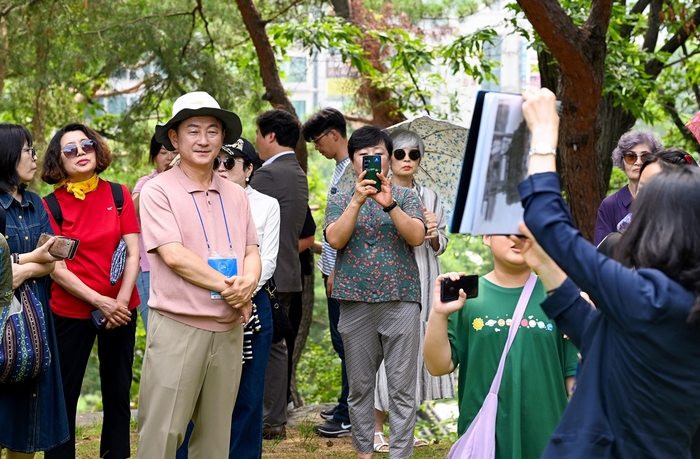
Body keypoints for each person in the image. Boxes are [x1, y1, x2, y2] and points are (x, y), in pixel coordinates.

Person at [512, 87, 700, 458]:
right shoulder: (677, 302)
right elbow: (597, 336)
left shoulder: (651, 297)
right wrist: (545, 263)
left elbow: (547, 219)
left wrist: (545, 136)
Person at [136, 91, 260, 459]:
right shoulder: (157, 190)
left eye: (212, 130)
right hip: (179, 325)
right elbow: (174, 256)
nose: (203, 140)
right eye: (193, 130)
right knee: (163, 433)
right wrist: (233, 288)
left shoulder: (236, 194)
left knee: (215, 439)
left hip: (228, 329)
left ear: (223, 138)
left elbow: (252, 250)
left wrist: (248, 284)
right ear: (174, 138)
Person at [423, 233, 577, 458]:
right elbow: (438, 366)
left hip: (548, 441)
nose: (516, 238)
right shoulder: (466, 298)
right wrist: (438, 313)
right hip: (485, 442)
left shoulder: (560, 298)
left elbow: (575, 381)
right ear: (487, 236)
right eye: (505, 230)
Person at [325, 125, 426, 459]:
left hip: (401, 301)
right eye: (364, 156)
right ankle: (364, 453)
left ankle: (400, 454)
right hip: (354, 302)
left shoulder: (408, 195)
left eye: (380, 155)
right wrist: (356, 200)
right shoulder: (339, 198)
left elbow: (416, 236)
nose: (373, 162)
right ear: (354, 161)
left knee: (401, 388)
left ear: (388, 158)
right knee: (360, 387)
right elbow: (335, 239)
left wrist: (390, 204)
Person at [40, 123, 140, 459]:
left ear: (97, 150)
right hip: (71, 311)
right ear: (59, 161)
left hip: (122, 308)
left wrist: (121, 303)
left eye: (86, 145)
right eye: (70, 150)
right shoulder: (50, 206)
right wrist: (100, 301)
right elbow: (56, 267)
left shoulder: (119, 194)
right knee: (64, 395)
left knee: (117, 393)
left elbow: (133, 251)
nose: (81, 153)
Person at [176, 137, 279, 459]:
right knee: (195, 392)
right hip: (200, 303)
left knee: (248, 394)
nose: (221, 168)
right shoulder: (195, 198)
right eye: (217, 161)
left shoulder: (265, 205)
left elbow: (268, 258)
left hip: (251, 303)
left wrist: (239, 291)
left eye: (230, 162)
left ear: (249, 169)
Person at [371, 128, 453, 451]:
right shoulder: (377, 191)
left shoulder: (431, 197)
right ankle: (376, 429)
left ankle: (406, 429)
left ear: (420, 159)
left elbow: (441, 244)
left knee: (419, 350)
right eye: (400, 154)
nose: (407, 160)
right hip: (389, 280)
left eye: (413, 154)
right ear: (389, 158)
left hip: (426, 278)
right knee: (384, 351)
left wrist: (432, 232)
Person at [0, 123, 69, 457]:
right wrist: (30, 262)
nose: (33, 157)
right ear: (8, 154)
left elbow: (51, 261)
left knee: (28, 417)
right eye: (28, 150)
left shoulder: (35, 203)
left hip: (32, 322)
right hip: (2, 321)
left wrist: (19, 267)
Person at [251, 109, 308, 440]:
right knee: (276, 346)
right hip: (288, 271)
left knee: (265, 347)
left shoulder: (267, 176)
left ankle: (269, 419)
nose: (256, 140)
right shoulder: (295, 171)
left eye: (258, 133)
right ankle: (273, 417)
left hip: (267, 274)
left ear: (271, 135)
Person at [302, 108, 352, 438]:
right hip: (331, 268)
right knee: (340, 341)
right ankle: (345, 402)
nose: (317, 148)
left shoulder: (353, 172)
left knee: (347, 342)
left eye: (318, 141)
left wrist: (338, 270)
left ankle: (349, 413)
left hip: (342, 273)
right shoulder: (339, 169)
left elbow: (351, 231)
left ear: (334, 134)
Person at [132, 134, 177, 331]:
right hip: (148, 267)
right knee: (155, 328)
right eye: (162, 153)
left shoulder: (185, 185)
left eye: (174, 152)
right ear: (153, 157)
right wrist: (160, 182)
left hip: (178, 267)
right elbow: (132, 212)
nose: (168, 157)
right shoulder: (146, 183)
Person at [593, 130, 661, 244]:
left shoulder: (665, 197)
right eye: (631, 156)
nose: (638, 162)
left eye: (645, 156)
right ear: (622, 161)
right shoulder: (610, 205)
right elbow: (602, 252)